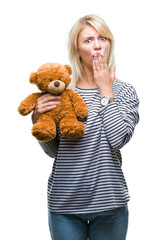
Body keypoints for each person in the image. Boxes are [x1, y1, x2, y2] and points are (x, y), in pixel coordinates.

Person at [32, 14, 139, 240]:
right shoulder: (61, 92)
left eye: (103, 38)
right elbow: (54, 152)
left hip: (110, 203)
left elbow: (118, 139)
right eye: (88, 40)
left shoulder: (125, 91)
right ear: (77, 49)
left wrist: (105, 91)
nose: (97, 45)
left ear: (110, 44)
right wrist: (38, 119)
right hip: (65, 205)